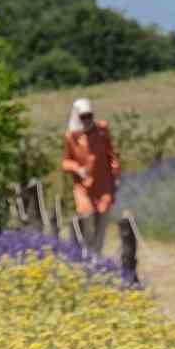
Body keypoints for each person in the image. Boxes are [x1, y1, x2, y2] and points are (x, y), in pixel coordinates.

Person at [61, 98, 121, 251]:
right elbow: (65, 162)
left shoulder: (102, 129)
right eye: (83, 116)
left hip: (104, 184)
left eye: (89, 115)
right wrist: (77, 169)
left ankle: (97, 256)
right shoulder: (71, 137)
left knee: (102, 223)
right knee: (86, 216)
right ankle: (89, 251)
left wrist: (116, 175)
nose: (87, 120)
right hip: (84, 188)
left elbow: (111, 154)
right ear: (77, 117)